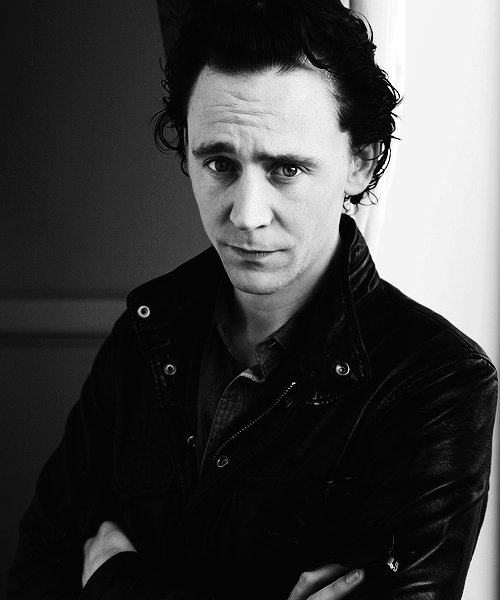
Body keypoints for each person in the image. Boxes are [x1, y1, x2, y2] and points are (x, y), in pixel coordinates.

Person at [7, 1, 497, 599]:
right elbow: (37, 572)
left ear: (361, 162)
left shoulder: (436, 381)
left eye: (286, 169)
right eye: (219, 163)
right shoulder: (146, 333)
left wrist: (119, 581)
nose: (246, 215)